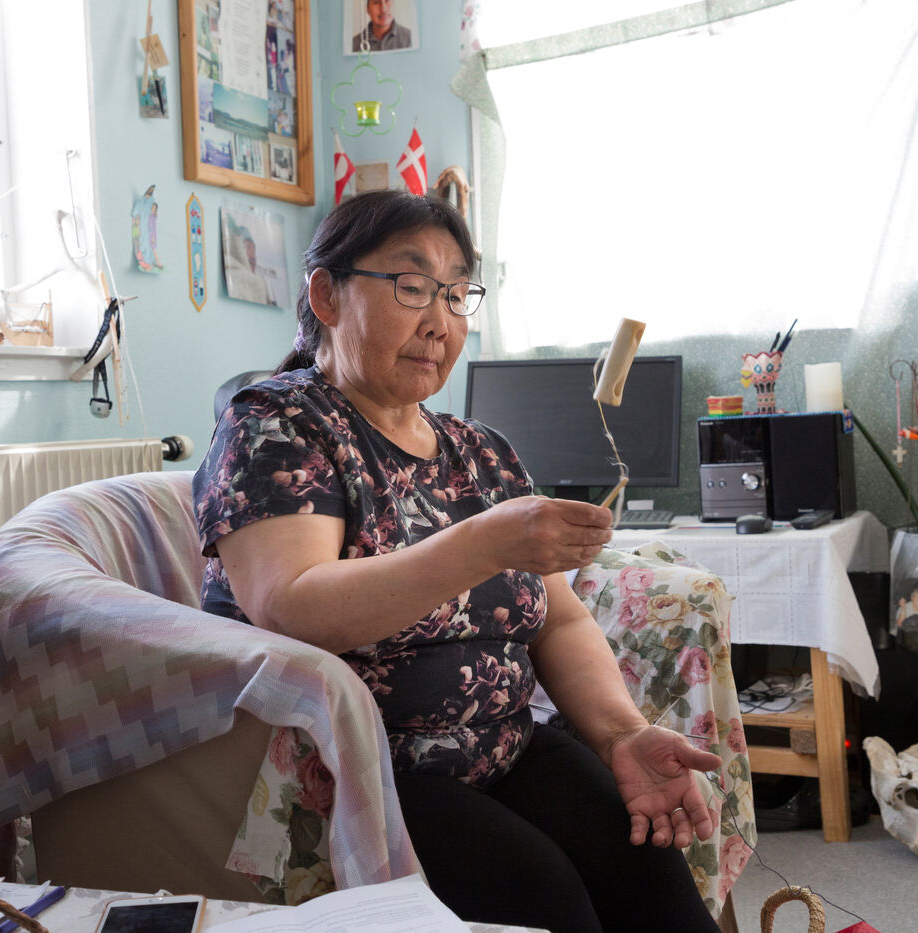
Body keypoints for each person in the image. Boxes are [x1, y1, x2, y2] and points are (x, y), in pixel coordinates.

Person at [193, 190, 722, 933]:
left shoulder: (481, 451)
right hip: (363, 767)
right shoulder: (276, 425)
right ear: (326, 295)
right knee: (544, 896)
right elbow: (293, 604)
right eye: (412, 286)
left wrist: (622, 734)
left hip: (504, 743)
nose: (439, 320)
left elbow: (559, 620)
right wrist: (486, 543)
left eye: (455, 293)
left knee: (646, 864)